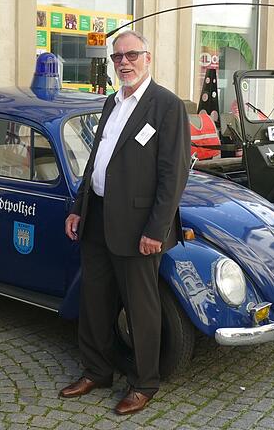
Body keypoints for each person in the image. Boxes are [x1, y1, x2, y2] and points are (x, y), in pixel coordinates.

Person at [60, 30, 190, 415]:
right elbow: (96, 161)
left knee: (141, 306)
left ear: (148, 58)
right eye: (117, 57)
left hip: (138, 227)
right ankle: (97, 370)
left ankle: (145, 382)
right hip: (98, 215)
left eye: (131, 55)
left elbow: (173, 174)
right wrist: (78, 208)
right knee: (95, 299)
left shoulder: (166, 105)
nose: (124, 63)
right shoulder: (110, 103)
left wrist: (157, 229)